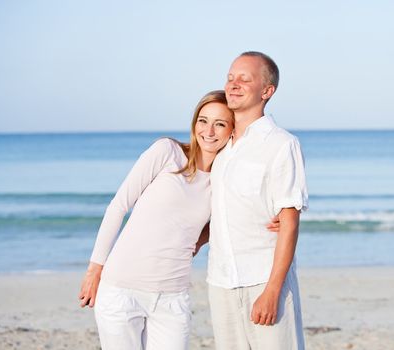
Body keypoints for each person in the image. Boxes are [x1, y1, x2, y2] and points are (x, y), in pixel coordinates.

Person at [78, 90, 234, 350]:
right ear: (194, 123)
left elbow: (227, 222)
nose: (209, 130)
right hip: (121, 291)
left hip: (172, 298)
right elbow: (118, 206)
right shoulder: (167, 152)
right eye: (203, 120)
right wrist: (95, 269)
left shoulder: (223, 179)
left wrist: (198, 241)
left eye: (220, 124)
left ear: (231, 130)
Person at [206, 52, 308, 349]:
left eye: (244, 79)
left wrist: (273, 290)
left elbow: (289, 223)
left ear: (267, 91)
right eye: (230, 77)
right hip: (220, 280)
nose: (233, 84)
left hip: (263, 278)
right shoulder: (221, 148)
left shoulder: (281, 144)